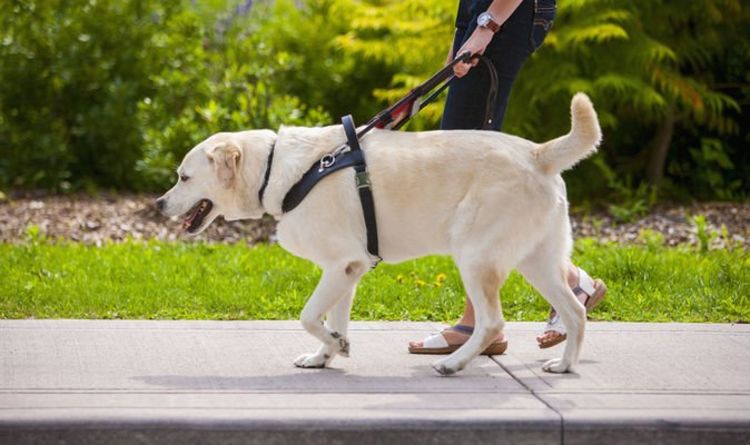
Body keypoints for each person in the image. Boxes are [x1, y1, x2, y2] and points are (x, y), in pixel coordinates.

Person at [408, 0, 607, 355]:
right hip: (485, 12)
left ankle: (480, 324)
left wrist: (488, 25)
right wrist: (466, 32)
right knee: (462, 165)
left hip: (504, 12)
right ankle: (570, 283)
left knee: (468, 168)